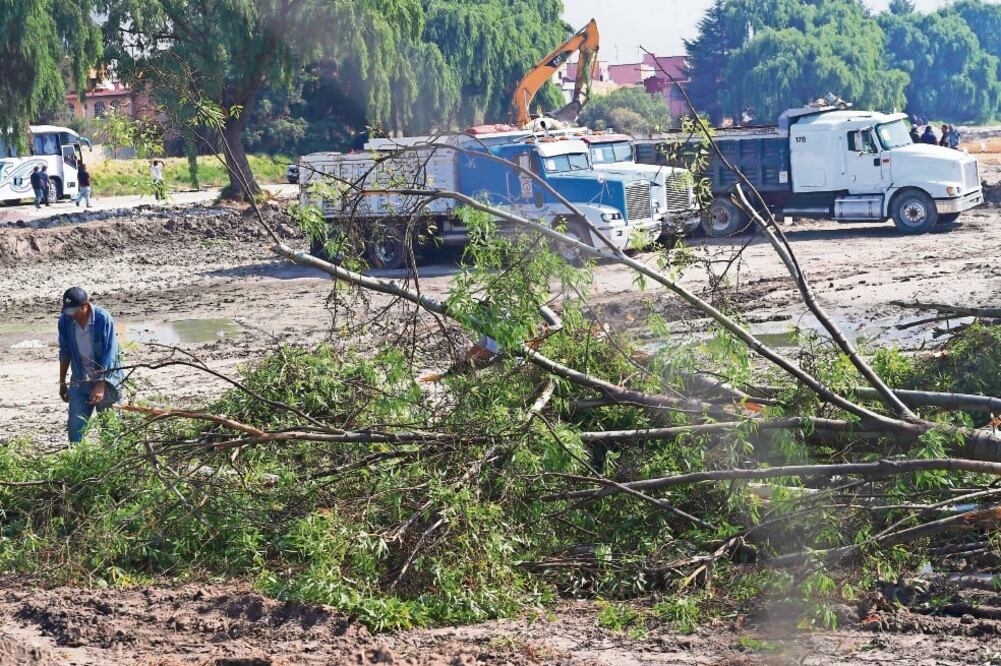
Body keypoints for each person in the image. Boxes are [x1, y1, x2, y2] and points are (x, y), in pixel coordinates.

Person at [57, 287, 125, 443]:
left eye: (74, 311)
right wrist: (62, 382)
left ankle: (112, 464)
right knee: (75, 430)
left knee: (111, 431)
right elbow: (65, 352)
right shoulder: (65, 322)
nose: (71, 315)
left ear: (85, 306)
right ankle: (75, 462)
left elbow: (110, 354)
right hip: (81, 381)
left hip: (108, 382)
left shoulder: (103, 319)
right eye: (68, 311)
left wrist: (101, 383)